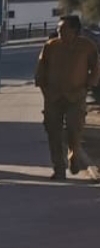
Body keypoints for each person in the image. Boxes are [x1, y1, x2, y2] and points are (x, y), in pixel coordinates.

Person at [34, 15, 100, 180]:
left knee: (74, 128)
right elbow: (41, 69)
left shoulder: (87, 46)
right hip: (53, 97)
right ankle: (59, 168)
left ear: (75, 31)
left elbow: (95, 67)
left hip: (76, 96)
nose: (59, 32)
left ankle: (74, 155)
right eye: (58, 29)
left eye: (63, 29)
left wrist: (89, 85)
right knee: (53, 132)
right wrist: (44, 89)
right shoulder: (51, 46)